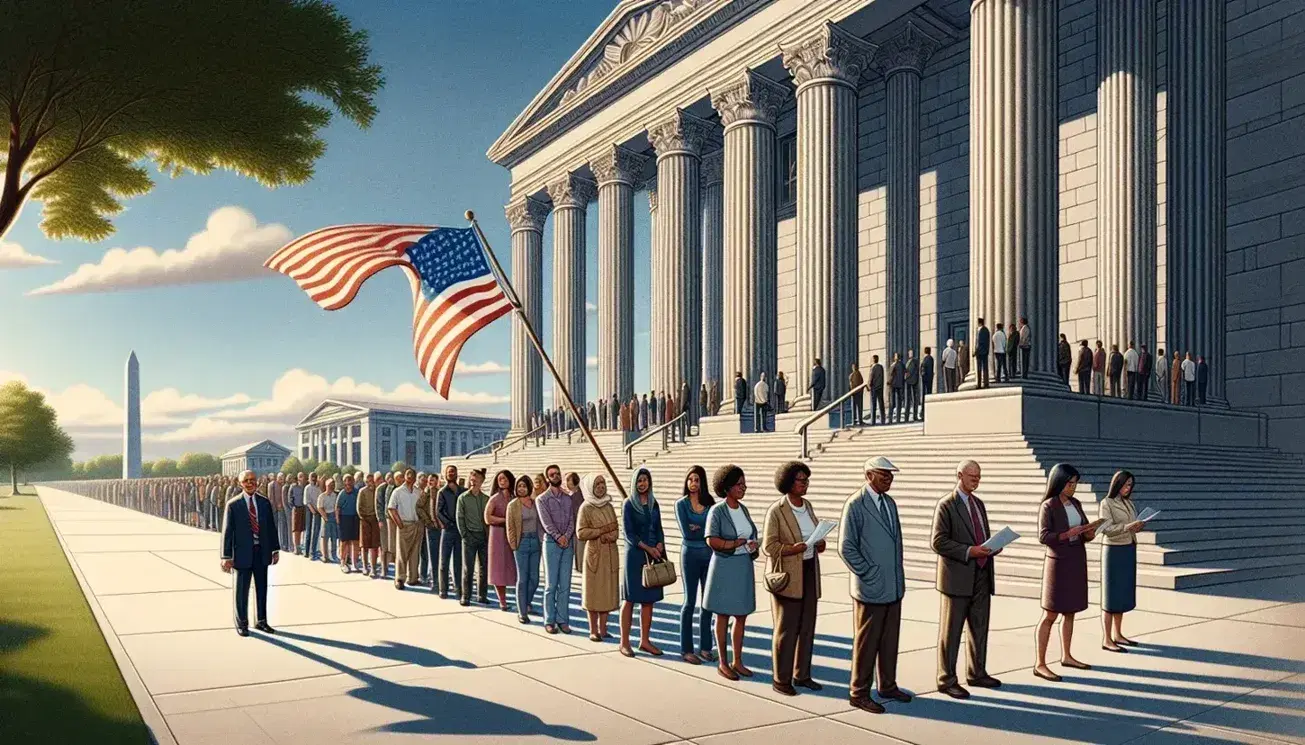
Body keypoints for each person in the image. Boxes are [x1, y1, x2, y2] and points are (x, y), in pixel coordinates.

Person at [841, 456, 909, 714]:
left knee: (890, 640)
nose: (889, 479)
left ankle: (887, 685)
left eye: (891, 475)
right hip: (870, 588)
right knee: (867, 642)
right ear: (869, 476)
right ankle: (858, 692)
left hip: (892, 586)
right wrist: (867, 571)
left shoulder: (890, 503)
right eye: (884, 475)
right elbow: (846, 547)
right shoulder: (856, 504)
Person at [931, 460, 1002, 699]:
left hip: (982, 574)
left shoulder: (979, 504)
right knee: (951, 633)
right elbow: (938, 542)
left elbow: (982, 536)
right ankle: (946, 679)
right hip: (957, 577)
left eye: (979, 477)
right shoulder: (947, 505)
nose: (976, 480)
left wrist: (993, 547)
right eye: (972, 476)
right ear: (959, 475)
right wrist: (970, 551)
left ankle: (977, 672)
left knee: (979, 628)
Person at [764, 461, 826, 696]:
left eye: (806, 479)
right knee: (787, 628)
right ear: (788, 483)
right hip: (789, 574)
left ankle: (802, 674)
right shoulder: (777, 511)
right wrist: (794, 548)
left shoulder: (808, 506)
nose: (805, 483)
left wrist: (819, 543)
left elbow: (813, 534)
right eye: (801, 480)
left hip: (810, 570)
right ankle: (781, 680)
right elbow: (769, 546)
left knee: (807, 625)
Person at [1034, 463, 1098, 681]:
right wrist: (1066, 534)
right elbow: (1043, 536)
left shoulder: (1076, 503)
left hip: (1076, 560)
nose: (1073, 487)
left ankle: (1067, 655)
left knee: (1070, 611)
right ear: (1059, 482)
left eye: (1075, 483)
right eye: (1070, 483)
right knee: (1050, 614)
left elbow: (1085, 530)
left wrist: (1090, 531)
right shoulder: (1048, 506)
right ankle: (1040, 663)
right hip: (1058, 563)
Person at [704, 464, 759, 682]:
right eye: (739, 484)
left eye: (744, 483)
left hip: (742, 565)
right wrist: (732, 543)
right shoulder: (717, 511)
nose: (743, 487)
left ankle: (738, 660)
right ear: (727, 488)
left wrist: (752, 545)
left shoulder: (743, 509)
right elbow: (711, 540)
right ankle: (723, 663)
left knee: (741, 615)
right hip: (725, 567)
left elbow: (750, 532)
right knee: (722, 615)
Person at [221, 470, 280, 636]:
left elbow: (271, 528)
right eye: (246, 480)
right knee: (241, 591)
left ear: (257, 482)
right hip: (242, 554)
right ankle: (242, 623)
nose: (249, 483)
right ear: (240, 483)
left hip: (261, 552)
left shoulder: (264, 503)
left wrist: (275, 549)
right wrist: (226, 556)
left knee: (262, 589)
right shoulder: (233, 505)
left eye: (252, 480)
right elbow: (227, 532)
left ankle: (261, 621)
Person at [620, 467, 665, 657]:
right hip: (636, 555)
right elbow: (629, 533)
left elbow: (659, 527)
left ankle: (645, 641)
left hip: (654, 554)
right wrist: (648, 547)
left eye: (645, 480)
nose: (642, 484)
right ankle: (624, 642)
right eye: (639, 481)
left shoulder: (654, 504)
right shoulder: (628, 504)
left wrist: (660, 545)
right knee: (630, 599)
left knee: (649, 601)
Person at [1098, 470, 1145, 653]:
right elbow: (1106, 529)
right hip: (1113, 550)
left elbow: (1131, 526)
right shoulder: (1106, 503)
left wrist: (1138, 526)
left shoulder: (1129, 503)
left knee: (1122, 594)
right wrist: (1128, 527)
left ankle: (1118, 634)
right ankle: (1107, 638)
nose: (1128, 488)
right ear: (1117, 484)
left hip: (1128, 547)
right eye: (1126, 484)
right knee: (1110, 596)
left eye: (1131, 485)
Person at [674, 466, 715, 664]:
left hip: (709, 555)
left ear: (702, 482)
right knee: (689, 602)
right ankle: (687, 649)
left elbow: (711, 531)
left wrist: (699, 529)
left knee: (707, 603)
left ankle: (706, 646)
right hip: (689, 554)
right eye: (690, 479)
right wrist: (701, 529)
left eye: (697, 479)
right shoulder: (681, 504)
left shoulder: (710, 504)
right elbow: (688, 532)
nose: (693, 483)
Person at [577, 472, 620, 643]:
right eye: (597, 485)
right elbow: (581, 532)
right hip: (594, 554)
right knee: (593, 592)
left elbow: (616, 529)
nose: (601, 487)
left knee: (607, 592)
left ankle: (604, 628)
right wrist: (602, 531)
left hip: (610, 552)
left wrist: (610, 535)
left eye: (603, 484)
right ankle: (593, 630)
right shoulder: (586, 507)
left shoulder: (608, 506)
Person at [537, 464, 576, 634]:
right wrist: (558, 537)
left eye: (558, 473)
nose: (556, 476)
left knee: (565, 585)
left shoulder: (568, 498)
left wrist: (566, 536)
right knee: (551, 584)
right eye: (552, 474)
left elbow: (572, 520)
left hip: (567, 544)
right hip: (551, 543)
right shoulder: (542, 499)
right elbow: (546, 523)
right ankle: (549, 620)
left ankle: (563, 619)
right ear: (547, 478)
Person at [506, 474, 543, 623]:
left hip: (536, 542)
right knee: (522, 578)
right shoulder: (513, 505)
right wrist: (514, 545)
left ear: (529, 487)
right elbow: (510, 527)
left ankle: (526, 602)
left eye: (524, 486)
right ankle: (522, 612)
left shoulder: (536, 503)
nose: (521, 489)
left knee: (535, 579)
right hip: (521, 543)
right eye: (519, 486)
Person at [484, 470, 517, 611]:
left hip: (513, 536)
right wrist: (505, 520)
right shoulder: (494, 498)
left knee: (514, 567)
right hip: (497, 535)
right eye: (499, 479)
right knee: (498, 568)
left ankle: (521, 601)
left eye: (504, 478)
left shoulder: (514, 498)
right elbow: (487, 518)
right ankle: (502, 601)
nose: (501, 481)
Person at [457, 468, 490, 606]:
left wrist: (487, 536)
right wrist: (465, 535)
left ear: (482, 481)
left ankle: (482, 595)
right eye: (472, 477)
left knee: (484, 568)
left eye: (476, 478)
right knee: (468, 568)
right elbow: (460, 518)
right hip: (469, 536)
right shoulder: (463, 498)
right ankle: (466, 596)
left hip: (483, 537)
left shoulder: (486, 499)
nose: (473, 480)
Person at [387, 469, 422, 590]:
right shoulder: (398, 491)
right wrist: (400, 524)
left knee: (414, 553)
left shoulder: (418, 491)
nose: (410, 476)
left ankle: (413, 578)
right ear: (404, 476)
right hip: (404, 525)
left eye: (413, 475)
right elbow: (391, 508)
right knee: (402, 553)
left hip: (417, 525)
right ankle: (400, 578)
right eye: (408, 474)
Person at [437, 464, 465, 599]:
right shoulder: (442, 492)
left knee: (459, 561)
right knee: (444, 561)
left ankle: (459, 589)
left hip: (460, 531)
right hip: (447, 530)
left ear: (457, 474)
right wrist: (448, 524)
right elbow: (439, 512)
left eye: (453, 472)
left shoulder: (463, 491)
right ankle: (443, 589)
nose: (451, 474)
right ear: (445, 475)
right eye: (449, 472)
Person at [415, 473, 439, 588]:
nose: (430, 482)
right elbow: (418, 507)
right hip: (429, 526)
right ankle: (425, 575)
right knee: (426, 552)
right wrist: (427, 520)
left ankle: (437, 577)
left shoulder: (439, 492)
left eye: (432, 480)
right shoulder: (425, 493)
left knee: (438, 554)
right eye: (429, 480)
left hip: (439, 526)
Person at [336, 473, 360, 572]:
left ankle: (354, 563)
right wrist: (338, 520)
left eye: (350, 480)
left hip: (355, 518)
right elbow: (337, 508)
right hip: (344, 518)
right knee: (344, 542)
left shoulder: (357, 492)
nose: (348, 483)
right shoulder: (342, 493)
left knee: (355, 542)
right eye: (346, 481)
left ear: (353, 482)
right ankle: (343, 562)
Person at [358, 472, 381, 577]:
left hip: (375, 520)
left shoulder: (377, 491)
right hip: (364, 520)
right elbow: (359, 508)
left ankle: (373, 568)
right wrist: (363, 518)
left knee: (374, 545)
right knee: (364, 545)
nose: (370, 484)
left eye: (372, 481)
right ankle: (365, 567)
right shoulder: (362, 491)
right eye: (368, 482)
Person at [318, 477, 340, 564]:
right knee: (325, 537)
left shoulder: (335, 495)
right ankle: (325, 556)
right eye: (330, 485)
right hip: (325, 516)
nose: (331, 487)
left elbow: (337, 506)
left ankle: (334, 555)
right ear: (326, 486)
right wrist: (325, 517)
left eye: (333, 485)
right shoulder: (322, 496)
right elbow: (319, 507)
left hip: (333, 516)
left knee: (334, 537)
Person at [287, 472, 308, 556]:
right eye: (300, 477)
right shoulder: (293, 486)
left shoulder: (306, 486)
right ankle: (296, 548)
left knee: (303, 528)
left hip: (304, 509)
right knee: (296, 529)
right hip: (296, 508)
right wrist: (294, 506)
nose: (302, 478)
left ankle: (302, 547)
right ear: (298, 478)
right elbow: (289, 498)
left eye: (303, 476)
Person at [303, 473, 322, 559]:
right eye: (312, 477)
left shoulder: (318, 488)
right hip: (309, 510)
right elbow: (307, 501)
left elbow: (320, 499)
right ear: (309, 478)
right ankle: (306, 552)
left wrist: (318, 511)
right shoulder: (307, 488)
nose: (313, 479)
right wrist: (313, 511)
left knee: (316, 531)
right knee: (309, 531)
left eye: (315, 477)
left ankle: (313, 551)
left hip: (317, 510)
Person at [868, 355, 885, 425]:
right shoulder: (881, 367)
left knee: (873, 404)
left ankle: (873, 421)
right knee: (881, 404)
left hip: (874, 388)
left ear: (873, 360)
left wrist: (869, 385)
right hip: (880, 387)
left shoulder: (873, 368)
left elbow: (871, 378)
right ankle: (883, 420)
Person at [974, 318, 991, 389]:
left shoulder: (981, 331)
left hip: (980, 352)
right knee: (985, 368)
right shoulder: (986, 330)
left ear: (979, 323)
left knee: (979, 369)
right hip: (985, 351)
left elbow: (980, 343)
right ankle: (986, 383)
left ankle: (979, 384)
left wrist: (975, 351)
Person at [889, 353, 905, 423]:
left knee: (892, 402)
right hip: (900, 385)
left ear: (895, 357)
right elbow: (906, 372)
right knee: (899, 402)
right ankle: (898, 419)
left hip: (893, 385)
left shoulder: (893, 365)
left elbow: (891, 375)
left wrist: (889, 382)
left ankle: (890, 419)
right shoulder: (902, 365)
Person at [904, 350, 919, 421]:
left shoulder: (914, 361)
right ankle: (907, 416)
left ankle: (914, 416)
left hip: (912, 382)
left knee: (913, 399)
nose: (910, 354)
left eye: (911, 353)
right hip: (909, 382)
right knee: (908, 400)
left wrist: (905, 377)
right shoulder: (908, 362)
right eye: (909, 353)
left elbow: (910, 372)